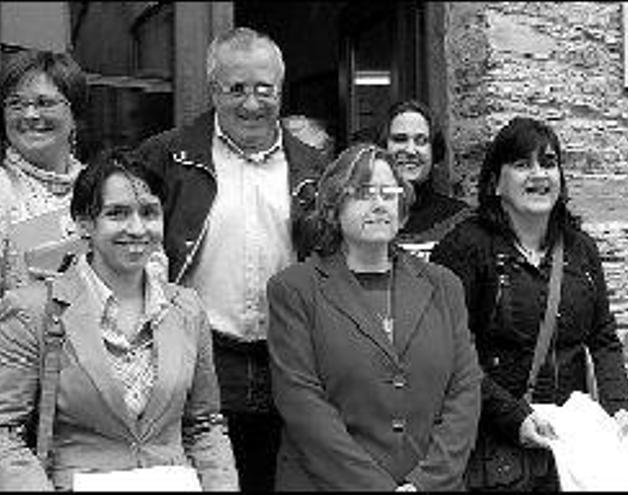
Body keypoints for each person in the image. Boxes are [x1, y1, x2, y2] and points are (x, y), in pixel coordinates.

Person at [135, 27, 328, 491]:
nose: (251, 103)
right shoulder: (166, 156)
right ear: (212, 89)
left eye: (264, 89)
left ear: (281, 90)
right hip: (200, 355)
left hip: (291, 356)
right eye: (235, 89)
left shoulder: (314, 165)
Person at [0, 149, 238, 491]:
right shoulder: (32, 311)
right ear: (83, 222)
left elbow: (205, 425)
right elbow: (6, 433)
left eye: (149, 212)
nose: (137, 228)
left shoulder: (187, 310)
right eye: (117, 213)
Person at [431, 117, 628, 491]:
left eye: (548, 162)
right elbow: (450, 354)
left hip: (570, 447)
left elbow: (603, 338)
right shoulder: (464, 248)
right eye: (522, 164)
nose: (539, 174)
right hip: (494, 446)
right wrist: (514, 418)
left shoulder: (580, 250)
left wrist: (619, 406)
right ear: (495, 182)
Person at [267, 143, 482, 491]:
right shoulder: (294, 290)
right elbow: (303, 405)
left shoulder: (444, 286)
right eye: (364, 193)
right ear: (334, 208)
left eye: (389, 193)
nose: (380, 203)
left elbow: (464, 392)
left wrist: (426, 483)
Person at [0, 49, 88, 297]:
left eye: (44, 103)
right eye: (16, 104)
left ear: (75, 114)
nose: (30, 115)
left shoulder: (101, 185)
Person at [378, 100, 470, 254]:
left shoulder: (460, 220)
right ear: (383, 148)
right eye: (400, 139)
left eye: (421, 141)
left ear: (435, 151)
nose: (410, 150)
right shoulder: (365, 216)